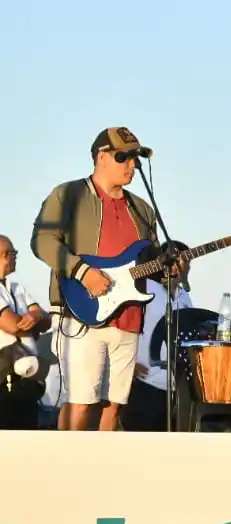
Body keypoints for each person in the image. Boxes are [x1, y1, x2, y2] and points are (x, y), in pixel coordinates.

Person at [30, 127, 160, 432]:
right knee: (80, 401)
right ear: (101, 156)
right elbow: (42, 240)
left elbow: (149, 261)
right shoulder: (68, 195)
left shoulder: (142, 209)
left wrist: (170, 267)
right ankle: (67, 470)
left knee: (114, 406)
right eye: (123, 157)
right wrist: (82, 272)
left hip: (128, 315)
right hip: (81, 312)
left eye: (136, 158)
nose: (132, 165)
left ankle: (104, 472)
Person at [125, 241, 194, 431]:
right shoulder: (144, 289)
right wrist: (126, 364)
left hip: (176, 387)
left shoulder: (185, 297)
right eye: (177, 260)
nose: (182, 266)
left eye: (186, 261)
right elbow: (124, 327)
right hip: (145, 383)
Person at [0, 234, 52, 429]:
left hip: (28, 377)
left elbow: (46, 320)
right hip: (4, 378)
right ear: (5, 254)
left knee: (27, 433)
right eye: (14, 254)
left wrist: (35, 317)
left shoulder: (18, 288)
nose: (15, 258)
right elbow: (12, 325)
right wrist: (33, 318)